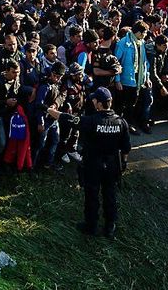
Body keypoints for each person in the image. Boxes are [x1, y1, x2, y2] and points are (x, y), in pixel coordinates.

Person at [48, 87, 131, 238]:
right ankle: (110, 226)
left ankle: (91, 226)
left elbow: (69, 119)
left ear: (98, 103)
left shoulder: (91, 121)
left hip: (93, 164)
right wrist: (123, 163)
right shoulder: (121, 122)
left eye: (94, 100)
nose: (92, 101)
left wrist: (49, 111)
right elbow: (126, 147)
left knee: (92, 195)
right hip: (112, 165)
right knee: (110, 194)